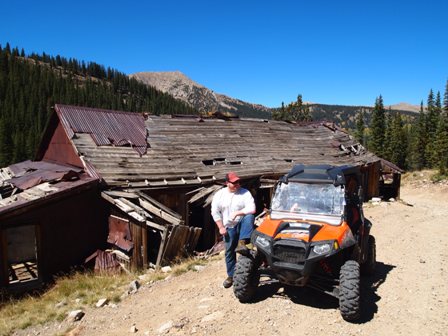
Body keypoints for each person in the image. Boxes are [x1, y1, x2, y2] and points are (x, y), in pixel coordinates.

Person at [211, 172, 256, 288]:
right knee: (229, 251)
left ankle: (243, 242)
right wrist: (220, 227)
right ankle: (231, 276)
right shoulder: (219, 195)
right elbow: (215, 212)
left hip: (242, 224)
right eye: (234, 182)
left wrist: (238, 213)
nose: (237, 184)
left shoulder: (245, 193)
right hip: (228, 226)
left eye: (238, 182)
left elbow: (252, 208)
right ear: (227, 183)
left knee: (249, 217)